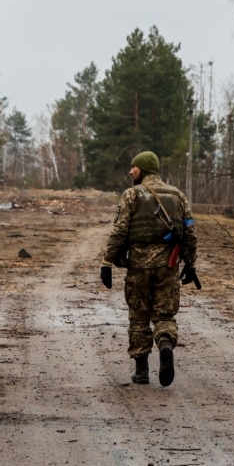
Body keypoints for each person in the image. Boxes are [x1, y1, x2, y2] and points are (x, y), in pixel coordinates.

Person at [100, 151, 198, 386]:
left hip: (139, 266)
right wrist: (190, 263)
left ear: (143, 169)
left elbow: (120, 230)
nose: (130, 171)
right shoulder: (178, 196)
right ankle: (165, 344)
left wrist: (107, 261)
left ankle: (142, 370)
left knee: (139, 316)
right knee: (165, 313)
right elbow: (190, 233)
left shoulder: (131, 195)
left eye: (133, 168)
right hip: (169, 265)